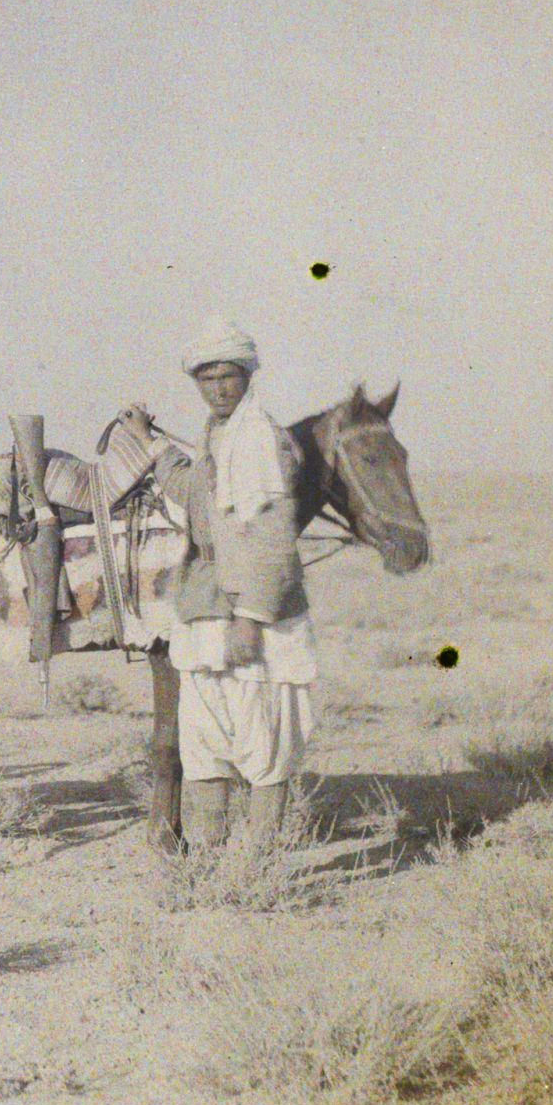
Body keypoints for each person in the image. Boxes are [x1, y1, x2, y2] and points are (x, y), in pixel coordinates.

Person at [116, 317, 316, 854]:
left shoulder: (260, 438)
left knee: (262, 735)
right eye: (207, 380)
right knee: (205, 738)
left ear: (247, 376)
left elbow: (273, 533)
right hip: (205, 602)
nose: (220, 388)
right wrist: (148, 443)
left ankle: (255, 867)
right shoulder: (219, 434)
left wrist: (251, 618)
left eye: (229, 376)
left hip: (253, 607)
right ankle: (206, 861)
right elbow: (195, 494)